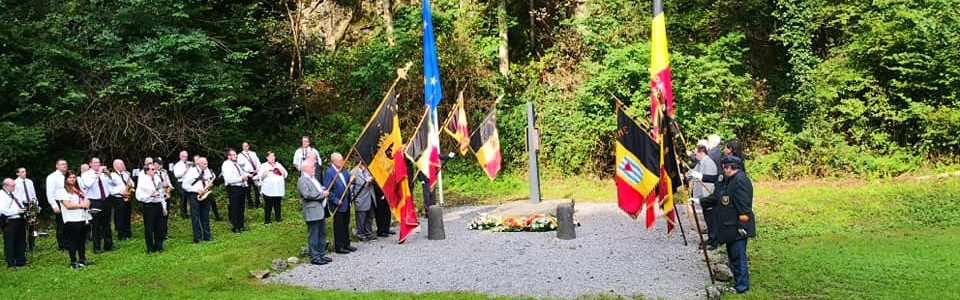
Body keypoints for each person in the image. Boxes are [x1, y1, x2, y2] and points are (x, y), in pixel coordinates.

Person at [692, 156, 755, 294]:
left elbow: (745, 207)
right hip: (729, 227)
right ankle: (738, 282)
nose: (724, 170)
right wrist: (700, 201)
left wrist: (743, 227)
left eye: (727, 167)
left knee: (739, 257)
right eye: (724, 167)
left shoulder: (740, 181)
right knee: (733, 256)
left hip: (738, 227)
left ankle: (742, 286)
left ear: (733, 167)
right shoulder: (730, 179)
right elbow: (718, 197)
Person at [297, 159, 332, 265]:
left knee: (322, 233)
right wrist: (322, 195)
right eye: (312, 167)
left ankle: (321, 254)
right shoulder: (302, 180)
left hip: (320, 210)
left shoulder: (314, 179)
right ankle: (315, 257)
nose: (314, 168)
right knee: (313, 234)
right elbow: (306, 194)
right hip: (312, 211)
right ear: (306, 168)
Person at [81, 157, 118, 253]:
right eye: (95, 162)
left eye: (99, 162)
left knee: (107, 223)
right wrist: (98, 174)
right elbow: (88, 184)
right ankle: (96, 247)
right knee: (96, 224)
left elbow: (114, 183)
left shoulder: (104, 174)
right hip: (95, 201)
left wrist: (109, 174)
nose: (97, 164)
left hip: (106, 199)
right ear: (90, 164)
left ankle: (108, 244)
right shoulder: (86, 174)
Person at [56, 171, 92, 268]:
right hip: (71, 219)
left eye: (74, 177)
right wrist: (81, 205)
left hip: (82, 218)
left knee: (82, 240)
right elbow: (67, 205)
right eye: (70, 177)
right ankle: (73, 261)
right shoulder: (62, 191)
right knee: (73, 241)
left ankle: (82, 259)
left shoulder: (78, 190)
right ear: (66, 179)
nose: (73, 179)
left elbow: (86, 199)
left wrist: (87, 203)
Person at [686, 145, 719, 249]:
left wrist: (707, 198)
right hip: (703, 197)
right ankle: (710, 238)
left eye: (696, 154)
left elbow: (709, 183)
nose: (695, 156)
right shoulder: (700, 163)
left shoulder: (708, 163)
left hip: (708, 195)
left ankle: (713, 242)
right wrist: (688, 175)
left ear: (702, 153)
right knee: (707, 219)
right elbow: (693, 173)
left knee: (712, 219)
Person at [325, 152, 355, 254]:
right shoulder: (330, 173)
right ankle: (339, 246)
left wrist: (351, 180)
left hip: (346, 201)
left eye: (342, 159)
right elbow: (328, 190)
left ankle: (347, 244)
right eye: (340, 160)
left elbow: (347, 183)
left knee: (346, 223)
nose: (342, 161)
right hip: (337, 204)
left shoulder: (344, 170)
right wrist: (336, 200)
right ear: (334, 162)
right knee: (339, 225)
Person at [182, 157, 215, 243]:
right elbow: (184, 185)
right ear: (199, 164)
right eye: (204, 164)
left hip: (205, 194)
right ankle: (197, 237)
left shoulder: (206, 170)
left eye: (207, 163)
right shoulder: (192, 172)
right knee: (195, 217)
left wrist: (209, 184)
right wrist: (196, 190)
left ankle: (207, 235)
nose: (206, 165)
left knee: (206, 215)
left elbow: (208, 179)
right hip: (195, 195)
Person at [136, 164, 167, 253]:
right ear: (147, 171)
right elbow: (138, 196)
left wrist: (164, 207)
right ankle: (150, 247)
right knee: (149, 227)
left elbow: (161, 193)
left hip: (158, 204)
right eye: (152, 169)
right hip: (149, 206)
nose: (154, 171)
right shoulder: (143, 181)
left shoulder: (157, 179)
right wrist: (149, 195)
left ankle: (159, 246)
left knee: (159, 226)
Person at [1, 178, 28, 268]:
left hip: (19, 220)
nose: (14, 187)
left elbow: (20, 204)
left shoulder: (14, 194)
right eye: (12, 185)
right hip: (9, 221)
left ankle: (21, 261)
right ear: (6, 186)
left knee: (21, 241)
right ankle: (11, 263)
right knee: (10, 242)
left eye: (14, 185)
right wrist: (16, 211)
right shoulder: (2, 195)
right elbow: (3, 210)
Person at [222, 149, 250, 233]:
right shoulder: (226, 164)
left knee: (241, 207)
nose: (236, 156)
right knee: (235, 207)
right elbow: (228, 179)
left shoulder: (235, 164)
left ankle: (241, 225)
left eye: (236, 154)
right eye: (233, 155)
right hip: (233, 188)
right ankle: (235, 226)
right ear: (229, 156)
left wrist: (245, 176)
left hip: (240, 187)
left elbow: (241, 173)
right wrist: (240, 178)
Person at [257, 151, 287, 224]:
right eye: (270, 156)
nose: (272, 158)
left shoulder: (278, 164)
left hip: (278, 189)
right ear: (267, 157)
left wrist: (279, 169)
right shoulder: (264, 165)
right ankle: (267, 220)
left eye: (273, 156)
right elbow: (260, 176)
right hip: (268, 189)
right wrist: (268, 170)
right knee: (268, 205)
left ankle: (278, 218)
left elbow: (285, 174)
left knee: (278, 204)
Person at [350, 158, 376, 241]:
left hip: (370, 196)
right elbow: (351, 186)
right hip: (361, 198)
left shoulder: (366, 171)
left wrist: (371, 179)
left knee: (370, 216)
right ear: (359, 164)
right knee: (361, 218)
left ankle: (368, 232)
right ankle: (361, 234)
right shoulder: (353, 172)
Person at [46, 159, 70, 251]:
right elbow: (50, 192)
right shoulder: (52, 177)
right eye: (62, 164)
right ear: (57, 166)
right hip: (59, 202)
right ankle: (62, 245)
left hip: (69, 201)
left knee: (69, 223)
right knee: (61, 225)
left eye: (65, 164)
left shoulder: (69, 175)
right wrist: (54, 205)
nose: (65, 165)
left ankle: (69, 242)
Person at [14, 168, 39, 252]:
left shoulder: (29, 182)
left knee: (32, 225)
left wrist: (36, 203)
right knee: (22, 225)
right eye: (22, 172)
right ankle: (23, 246)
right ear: (17, 173)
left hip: (31, 204)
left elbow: (33, 193)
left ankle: (32, 245)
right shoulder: (15, 183)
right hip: (22, 204)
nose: (25, 173)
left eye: (25, 171)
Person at [109, 159, 134, 241]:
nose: (123, 166)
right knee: (120, 216)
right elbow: (110, 189)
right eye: (121, 164)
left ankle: (128, 232)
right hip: (118, 198)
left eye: (123, 164)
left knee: (127, 215)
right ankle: (121, 234)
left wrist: (130, 185)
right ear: (116, 166)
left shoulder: (126, 174)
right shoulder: (112, 175)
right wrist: (120, 192)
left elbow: (132, 183)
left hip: (127, 196)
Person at [238, 141, 262, 209]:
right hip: (247, 174)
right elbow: (240, 168)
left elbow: (258, 162)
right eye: (244, 146)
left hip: (255, 173)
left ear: (249, 146)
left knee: (257, 189)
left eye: (247, 146)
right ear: (242, 147)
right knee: (247, 190)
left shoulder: (253, 153)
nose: (245, 147)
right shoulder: (240, 156)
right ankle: (250, 204)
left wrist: (258, 168)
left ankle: (257, 203)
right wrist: (248, 174)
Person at [172, 150, 191, 219]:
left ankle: (190, 213)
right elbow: (176, 175)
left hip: (189, 182)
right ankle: (184, 214)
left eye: (186, 156)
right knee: (183, 198)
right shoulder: (178, 165)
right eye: (184, 156)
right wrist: (185, 172)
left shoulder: (189, 163)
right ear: (180, 156)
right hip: (181, 182)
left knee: (190, 198)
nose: (185, 158)